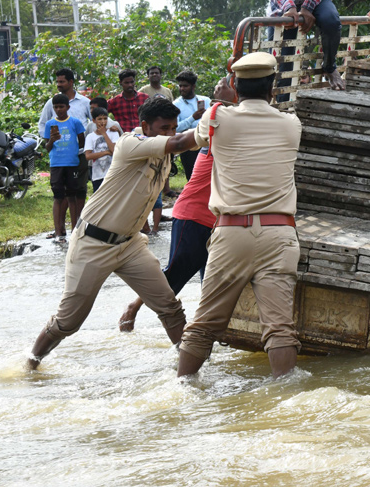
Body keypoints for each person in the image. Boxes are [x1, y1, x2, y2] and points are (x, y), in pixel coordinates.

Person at [26, 98, 199, 369]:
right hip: (93, 241)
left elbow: (180, 141)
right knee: (68, 322)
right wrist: (215, 122)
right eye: (164, 127)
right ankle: (30, 364)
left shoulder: (165, 155)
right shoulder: (130, 143)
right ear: (145, 126)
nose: (170, 133)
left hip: (130, 244)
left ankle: (190, 371)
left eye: (174, 127)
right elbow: (180, 143)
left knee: (170, 307)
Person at [177, 52, 304, 379]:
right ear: (272, 88)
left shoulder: (217, 117)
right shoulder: (291, 124)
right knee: (280, 329)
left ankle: (182, 389)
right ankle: (286, 396)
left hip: (231, 233)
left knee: (204, 325)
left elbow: (196, 139)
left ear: (234, 84)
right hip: (280, 235)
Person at [118, 79, 235, 332]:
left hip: (216, 222)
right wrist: (225, 101)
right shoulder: (216, 141)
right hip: (192, 216)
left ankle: (202, 334)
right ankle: (134, 307)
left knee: (211, 283)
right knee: (174, 278)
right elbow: (218, 117)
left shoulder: (232, 143)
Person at [37, 68, 91, 228]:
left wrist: (89, 143)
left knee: (79, 191)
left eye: (62, 82)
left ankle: (78, 226)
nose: (59, 85)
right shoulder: (51, 103)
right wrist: (51, 140)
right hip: (59, 156)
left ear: (71, 82)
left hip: (80, 154)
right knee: (61, 194)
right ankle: (59, 229)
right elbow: (42, 124)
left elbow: (93, 122)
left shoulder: (84, 102)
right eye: (57, 82)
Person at [44, 93, 87, 243]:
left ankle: (74, 230)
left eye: (61, 106)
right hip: (56, 164)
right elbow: (47, 147)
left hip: (72, 163)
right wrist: (52, 140)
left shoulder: (75, 122)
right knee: (58, 197)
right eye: (56, 107)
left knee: (72, 197)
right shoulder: (50, 124)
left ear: (68, 107)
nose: (59, 109)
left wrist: (73, 152)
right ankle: (58, 232)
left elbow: (82, 141)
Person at [173, 70, 211, 180]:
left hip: (206, 144)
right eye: (180, 86)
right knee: (191, 177)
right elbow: (176, 127)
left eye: (185, 86)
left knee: (207, 176)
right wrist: (192, 118)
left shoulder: (206, 100)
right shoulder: (176, 104)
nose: (182, 89)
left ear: (193, 86)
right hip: (188, 145)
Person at [84, 107, 119, 192]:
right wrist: (106, 152)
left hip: (112, 174)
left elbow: (114, 151)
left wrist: (104, 133)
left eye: (105, 119)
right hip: (97, 175)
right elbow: (88, 156)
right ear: (94, 120)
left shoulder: (113, 133)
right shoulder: (90, 136)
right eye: (99, 119)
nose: (103, 122)